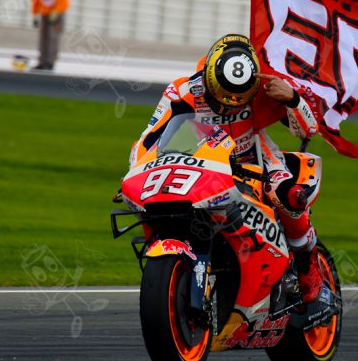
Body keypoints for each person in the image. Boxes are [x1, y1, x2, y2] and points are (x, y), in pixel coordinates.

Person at [130, 35, 325, 303]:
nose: (226, 105)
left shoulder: (266, 88)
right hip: (204, 157)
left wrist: (293, 99)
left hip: (254, 156)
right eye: (220, 99)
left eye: (236, 101)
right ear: (209, 77)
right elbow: (148, 139)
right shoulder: (182, 90)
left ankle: (307, 263)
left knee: (289, 195)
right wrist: (136, 172)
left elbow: (308, 130)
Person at [19, 0, 68, 71]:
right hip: (45, 11)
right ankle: (42, 61)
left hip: (57, 10)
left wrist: (57, 10)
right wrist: (35, 14)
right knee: (43, 38)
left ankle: (50, 62)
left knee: (52, 37)